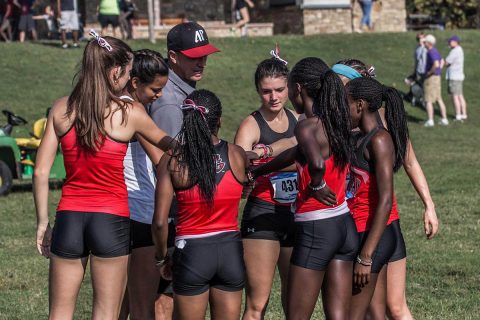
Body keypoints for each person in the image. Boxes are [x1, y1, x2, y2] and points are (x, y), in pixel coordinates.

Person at [33, 32, 175, 319]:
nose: (127, 80)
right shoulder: (129, 112)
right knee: (107, 313)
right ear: (115, 73)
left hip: (70, 217)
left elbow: (40, 171)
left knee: (59, 313)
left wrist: (43, 223)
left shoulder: (62, 108)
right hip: (111, 220)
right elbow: (168, 145)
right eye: (127, 73)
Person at [252, 57, 357, 320]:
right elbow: (296, 155)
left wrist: (316, 183)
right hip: (344, 225)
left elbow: (316, 162)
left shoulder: (306, 125)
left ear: (298, 88)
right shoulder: (335, 120)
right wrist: (257, 170)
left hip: (316, 227)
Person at [333, 58, 439, 320]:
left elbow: (410, 161)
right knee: (376, 309)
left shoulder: (382, 126)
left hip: (381, 223)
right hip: (359, 224)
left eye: (338, 86)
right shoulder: (340, 121)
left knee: (394, 306)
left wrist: (429, 205)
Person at [152, 89, 247, 320]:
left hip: (192, 252)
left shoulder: (174, 160)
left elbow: (159, 222)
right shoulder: (236, 154)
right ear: (220, 120)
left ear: (186, 120)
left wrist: (162, 258)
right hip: (230, 251)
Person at [149, 21, 220, 320]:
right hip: (176, 211)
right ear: (173, 57)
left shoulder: (182, 92)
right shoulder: (169, 103)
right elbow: (169, 165)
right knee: (166, 291)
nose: (201, 61)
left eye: (204, 54)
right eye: (193, 55)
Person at [234, 50, 299, 319]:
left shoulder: (297, 119)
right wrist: (246, 177)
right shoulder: (251, 124)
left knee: (294, 298)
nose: (273, 97)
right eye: (266, 91)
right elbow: (238, 169)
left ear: (289, 88)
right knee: (257, 302)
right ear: (258, 91)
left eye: (279, 90)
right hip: (263, 214)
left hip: (297, 213)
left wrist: (264, 156)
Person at [345, 76, 410, 320]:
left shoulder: (380, 140)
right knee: (374, 313)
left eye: (346, 103)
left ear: (360, 105)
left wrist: (365, 256)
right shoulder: (358, 136)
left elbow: (385, 199)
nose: (343, 109)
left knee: (353, 314)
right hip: (364, 231)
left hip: (374, 236)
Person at [120, 49, 169, 320]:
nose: (159, 95)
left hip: (115, 212)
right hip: (140, 212)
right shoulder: (134, 109)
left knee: (115, 306)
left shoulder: (109, 104)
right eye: (155, 89)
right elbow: (160, 157)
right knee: (142, 309)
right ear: (135, 82)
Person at [422, 34, 448, 127]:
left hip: (431, 78)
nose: (423, 43)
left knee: (428, 100)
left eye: (425, 42)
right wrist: (439, 70)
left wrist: (429, 72)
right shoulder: (436, 51)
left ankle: (430, 120)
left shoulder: (430, 52)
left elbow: (436, 64)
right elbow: (442, 61)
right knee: (438, 98)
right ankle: (444, 119)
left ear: (429, 43)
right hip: (437, 77)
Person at [445, 35, 467, 122]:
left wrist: (442, 62)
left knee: (455, 96)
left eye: (450, 41)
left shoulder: (455, 51)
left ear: (455, 42)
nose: (449, 43)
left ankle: (458, 115)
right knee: (460, 96)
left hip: (454, 77)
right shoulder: (459, 49)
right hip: (459, 77)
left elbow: (447, 62)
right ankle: (464, 114)